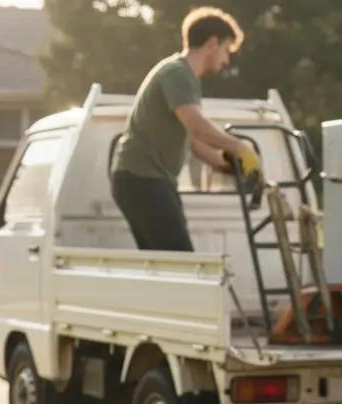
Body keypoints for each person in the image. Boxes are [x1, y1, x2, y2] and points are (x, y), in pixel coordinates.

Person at [110, 6, 261, 252]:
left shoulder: (187, 78)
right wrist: (241, 148)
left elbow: (193, 142)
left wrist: (231, 165)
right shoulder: (177, 73)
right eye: (226, 50)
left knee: (166, 264)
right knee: (180, 260)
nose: (226, 60)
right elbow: (197, 126)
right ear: (212, 43)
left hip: (147, 180)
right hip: (142, 179)